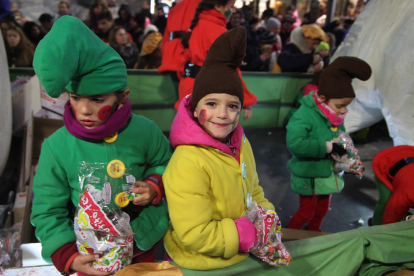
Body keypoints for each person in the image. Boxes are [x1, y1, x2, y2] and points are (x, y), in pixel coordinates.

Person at [30, 16, 173, 276]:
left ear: (122, 97)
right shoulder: (57, 146)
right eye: (75, 98)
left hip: (142, 246)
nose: (84, 109)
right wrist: (68, 256)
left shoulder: (145, 131)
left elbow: (166, 162)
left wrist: (154, 185)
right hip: (90, 255)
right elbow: (47, 209)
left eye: (97, 99)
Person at [163, 26, 275, 270]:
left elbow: (253, 189)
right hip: (201, 263)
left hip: (240, 251)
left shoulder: (240, 143)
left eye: (233, 106)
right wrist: (248, 234)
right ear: (194, 108)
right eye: (211, 103)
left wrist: (266, 216)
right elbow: (194, 234)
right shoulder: (188, 161)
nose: (222, 115)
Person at [286, 57, 372, 232]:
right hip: (310, 175)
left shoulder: (334, 114)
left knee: (322, 210)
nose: (343, 111)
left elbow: (341, 136)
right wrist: (329, 147)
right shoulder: (304, 115)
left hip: (328, 176)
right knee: (306, 213)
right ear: (323, 98)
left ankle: (314, 233)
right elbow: (295, 143)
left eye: (346, 106)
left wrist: (348, 154)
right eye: (340, 106)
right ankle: (288, 237)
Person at [176, 0, 257, 120]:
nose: (233, 11)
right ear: (218, 6)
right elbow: (229, 70)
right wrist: (244, 100)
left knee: (188, 133)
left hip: (187, 89)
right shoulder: (218, 31)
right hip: (208, 93)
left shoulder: (195, 26)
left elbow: (182, 60)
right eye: (231, 6)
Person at [370, 146, 414, 225]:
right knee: (386, 202)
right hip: (386, 163)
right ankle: (374, 226)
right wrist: (387, 232)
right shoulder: (406, 194)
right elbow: (391, 216)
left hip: (408, 159)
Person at [157, 0, 201, 74]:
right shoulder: (203, 6)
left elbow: (166, 38)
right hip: (191, 60)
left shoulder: (174, 10)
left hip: (170, 60)